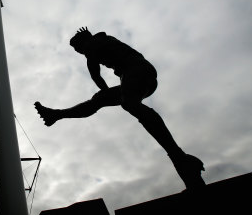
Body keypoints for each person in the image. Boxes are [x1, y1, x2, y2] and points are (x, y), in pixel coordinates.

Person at [34, 27, 205, 190]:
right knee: (102, 100)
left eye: (78, 49)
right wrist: (105, 94)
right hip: (136, 74)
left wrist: (105, 90)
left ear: (84, 42)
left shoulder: (93, 43)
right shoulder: (100, 41)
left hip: (137, 71)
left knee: (129, 103)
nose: (80, 52)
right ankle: (56, 115)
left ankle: (179, 156)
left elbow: (95, 73)